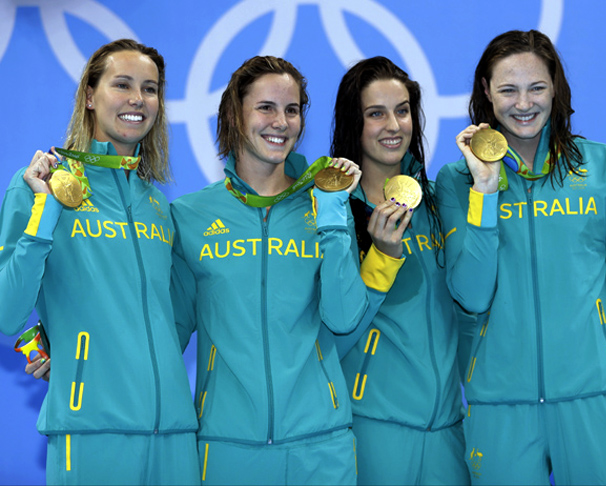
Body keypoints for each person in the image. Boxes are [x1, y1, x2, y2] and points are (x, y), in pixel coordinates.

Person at [436, 29, 606, 485]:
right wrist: (485, 191)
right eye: (508, 89)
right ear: (486, 94)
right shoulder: (455, 182)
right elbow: (469, 294)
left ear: (557, 89)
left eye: (537, 87)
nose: (523, 103)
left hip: (596, 400)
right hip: (498, 407)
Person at [169, 55, 394, 485]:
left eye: (292, 110)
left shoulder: (326, 207)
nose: (281, 122)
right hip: (227, 448)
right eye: (266, 108)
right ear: (235, 114)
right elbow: (164, 332)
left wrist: (330, 212)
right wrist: (71, 352)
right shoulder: (191, 215)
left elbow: (345, 318)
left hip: (321, 446)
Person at [0, 39, 200, 484]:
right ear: (89, 96)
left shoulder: (156, 204)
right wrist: (45, 209)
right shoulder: (40, 184)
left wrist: (65, 344)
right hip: (91, 429)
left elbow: (160, 321)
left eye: (150, 89)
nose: (137, 100)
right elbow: (7, 312)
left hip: (173, 432)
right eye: (122, 84)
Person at [330, 56, 497, 485]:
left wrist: (485, 191)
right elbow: (336, 336)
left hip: (446, 431)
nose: (393, 125)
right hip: (372, 430)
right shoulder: (334, 215)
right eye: (376, 113)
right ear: (354, 122)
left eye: (402, 111)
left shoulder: (440, 203)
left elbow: (475, 296)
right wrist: (381, 258)